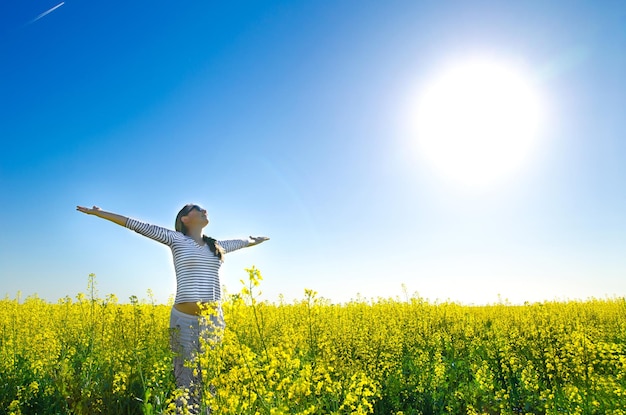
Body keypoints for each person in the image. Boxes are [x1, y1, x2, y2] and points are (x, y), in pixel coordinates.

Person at [76, 204, 269, 414]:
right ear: (184, 219)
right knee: (185, 378)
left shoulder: (217, 246)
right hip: (183, 319)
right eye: (197, 208)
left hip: (213, 321)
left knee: (210, 376)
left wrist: (255, 240)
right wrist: (99, 213)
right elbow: (135, 225)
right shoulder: (176, 239)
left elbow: (243, 242)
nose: (204, 209)